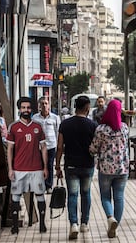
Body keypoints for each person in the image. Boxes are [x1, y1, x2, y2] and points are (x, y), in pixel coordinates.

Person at [55, 95, 97, 240]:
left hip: (71, 165)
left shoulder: (65, 124)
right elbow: (95, 147)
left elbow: (60, 147)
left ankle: (73, 224)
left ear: (75, 107)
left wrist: (57, 166)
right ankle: (84, 223)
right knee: (86, 194)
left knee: (72, 195)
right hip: (87, 165)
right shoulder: (92, 125)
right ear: (87, 108)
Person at [6, 96, 48, 234]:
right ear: (19, 109)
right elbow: (10, 149)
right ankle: (15, 226)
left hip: (36, 168)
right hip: (19, 169)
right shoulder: (13, 127)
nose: (26, 110)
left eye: (28, 108)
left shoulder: (38, 126)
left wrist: (45, 167)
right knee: (16, 196)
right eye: (23, 107)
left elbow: (43, 148)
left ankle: (42, 224)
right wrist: (10, 169)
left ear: (32, 109)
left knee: (40, 195)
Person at [89, 99, 129, 238]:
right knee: (119, 197)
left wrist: (92, 152)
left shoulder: (101, 129)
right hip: (122, 169)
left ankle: (110, 217)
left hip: (105, 169)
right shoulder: (124, 128)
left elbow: (93, 148)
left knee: (105, 197)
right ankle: (116, 226)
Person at [32, 97, 61, 194]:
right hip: (39, 146)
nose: (44, 105)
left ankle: (49, 186)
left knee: (49, 165)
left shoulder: (55, 118)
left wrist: (58, 145)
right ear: (39, 106)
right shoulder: (35, 118)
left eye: (46, 103)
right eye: (42, 103)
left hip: (51, 145)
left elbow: (58, 131)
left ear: (49, 105)